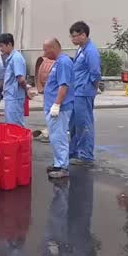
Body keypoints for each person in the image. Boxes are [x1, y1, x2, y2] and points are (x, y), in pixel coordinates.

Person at [68, 21, 101, 167]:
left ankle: (86, 155)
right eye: (72, 37)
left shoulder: (90, 51)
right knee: (74, 124)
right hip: (77, 91)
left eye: (75, 36)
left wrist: (91, 89)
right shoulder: (81, 49)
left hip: (84, 92)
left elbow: (95, 73)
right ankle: (74, 151)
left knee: (84, 124)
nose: (73, 39)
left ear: (83, 35)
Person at [43, 38, 74, 179]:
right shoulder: (58, 62)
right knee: (55, 137)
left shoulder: (64, 63)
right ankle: (58, 163)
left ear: (54, 48)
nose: (44, 53)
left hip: (60, 108)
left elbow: (64, 86)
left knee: (59, 137)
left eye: (46, 49)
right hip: (53, 107)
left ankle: (63, 167)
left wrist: (57, 104)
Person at [0, 33, 27, 127]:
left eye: (2, 46)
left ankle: (21, 141)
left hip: (15, 97)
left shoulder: (16, 58)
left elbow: (21, 79)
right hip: (11, 96)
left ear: (9, 44)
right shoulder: (11, 58)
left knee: (15, 125)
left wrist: (27, 91)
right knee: (11, 123)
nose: (0, 49)